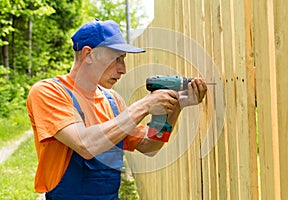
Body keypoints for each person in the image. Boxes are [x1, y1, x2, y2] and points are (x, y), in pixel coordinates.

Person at [26, 19, 207, 200]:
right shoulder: (49, 92)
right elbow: (86, 145)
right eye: (117, 59)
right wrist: (144, 105)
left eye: (124, 60)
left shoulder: (112, 100)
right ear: (88, 54)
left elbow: (150, 146)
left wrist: (175, 107)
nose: (123, 69)